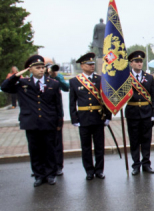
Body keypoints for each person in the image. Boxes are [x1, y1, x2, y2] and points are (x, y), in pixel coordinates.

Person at [1, 55, 63, 187]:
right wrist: (17, 75)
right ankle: (39, 175)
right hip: (31, 122)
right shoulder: (23, 83)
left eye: (43, 67)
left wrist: (59, 123)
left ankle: (50, 174)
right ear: (30, 69)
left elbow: (58, 105)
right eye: (37, 68)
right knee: (35, 150)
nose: (41, 70)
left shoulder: (53, 83)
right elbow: (5, 87)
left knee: (49, 149)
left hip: (48, 121)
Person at [69, 53, 112, 180]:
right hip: (83, 118)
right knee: (86, 147)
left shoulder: (100, 80)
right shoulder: (74, 81)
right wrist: (74, 118)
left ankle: (99, 170)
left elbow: (106, 99)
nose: (92, 66)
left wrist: (108, 116)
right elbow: (72, 102)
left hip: (98, 117)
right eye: (89, 64)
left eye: (93, 64)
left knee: (99, 146)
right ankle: (89, 170)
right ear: (82, 66)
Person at [126, 51, 154, 175]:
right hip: (132, 113)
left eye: (141, 61)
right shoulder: (126, 78)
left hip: (146, 113)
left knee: (146, 140)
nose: (139, 64)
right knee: (134, 141)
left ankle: (146, 164)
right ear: (131, 63)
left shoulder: (149, 77)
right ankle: (136, 165)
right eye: (137, 61)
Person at [47, 64, 69, 176]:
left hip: (55, 114)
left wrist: (56, 76)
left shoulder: (57, 77)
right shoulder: (36, 77)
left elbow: (66, 87)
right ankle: (44, 167)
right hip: (41, 115)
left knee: (57, 142)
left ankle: (58, 166)